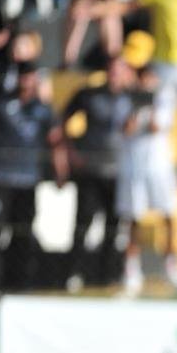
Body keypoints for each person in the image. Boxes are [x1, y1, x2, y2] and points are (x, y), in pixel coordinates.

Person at [0, 63, 66, 292]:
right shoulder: (1, 104)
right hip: (0, 178)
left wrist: (60, 170)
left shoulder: (43, 110)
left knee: (23, 232)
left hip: (27, 181)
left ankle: (18, 283)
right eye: (23, 77)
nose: (26, 82)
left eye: (31, 77)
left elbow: (56, 140)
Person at [62, 54, 134, 290]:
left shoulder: (133, 98)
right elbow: (62, 120)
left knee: (114, 227)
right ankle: (73, 272)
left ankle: (107, 275)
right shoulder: (89, 95)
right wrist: (71, 152)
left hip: (118, 173)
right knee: (83, 223)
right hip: (91, 171)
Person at [116, 63, 177, 294]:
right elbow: (126, 128)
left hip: (158, 166)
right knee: (133, 218)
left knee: (169, 213)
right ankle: (132, 268)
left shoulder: (163, 99)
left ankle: (171, 263)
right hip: (135, 166)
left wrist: (151, 104)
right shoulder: (127, 99)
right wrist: (137, 107)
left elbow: (157, 126)